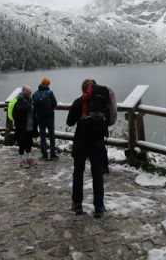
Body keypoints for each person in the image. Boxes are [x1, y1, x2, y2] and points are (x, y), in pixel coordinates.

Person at [66, 79, 109, 218]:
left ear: (83, 89)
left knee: (78, 173)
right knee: (97, 174)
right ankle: (99, 207)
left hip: (81, 142)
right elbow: (109, 119)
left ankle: (77, 205)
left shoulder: (79, 102)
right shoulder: (102, 102)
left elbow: (69, 122)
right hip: (97, 143)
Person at [32, 77, 58, 160]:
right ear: (47, 84)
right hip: (49, 116)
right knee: (51, 135)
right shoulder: (49, 92)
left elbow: (34, 105)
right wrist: (51, 109)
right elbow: (55, 103)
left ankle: (44, 154)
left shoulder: (35, 93)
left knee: (42, 135)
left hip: (39, 117)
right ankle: (53, 154)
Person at [12, 85, 37, 168]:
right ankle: (22, 160)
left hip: (30, 126)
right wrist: (28, 107)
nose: (30, 93)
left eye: (30, 92)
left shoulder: (30, 100)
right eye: (29, 92)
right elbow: (17, 112)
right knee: (22, 144)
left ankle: (28, 158)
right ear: (24, 92)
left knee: (29, 143)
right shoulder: (19, 100)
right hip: (22, 127)